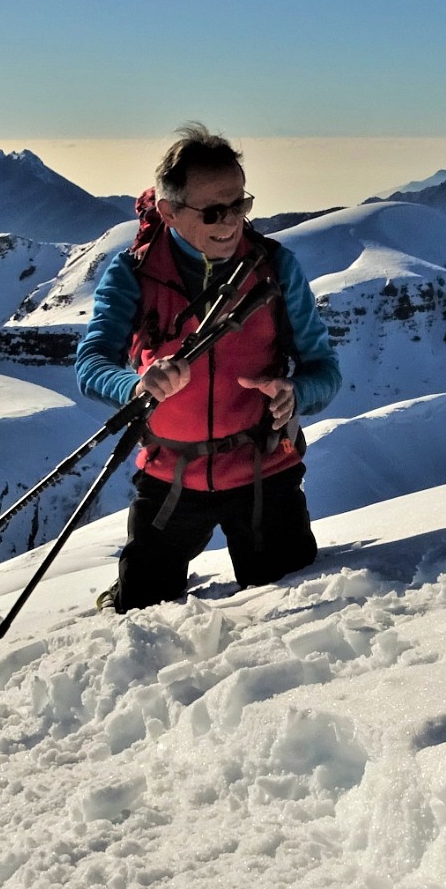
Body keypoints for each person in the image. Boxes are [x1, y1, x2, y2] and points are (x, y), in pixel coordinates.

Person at [76, 123, 341, 613]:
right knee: (137, 610)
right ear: (169, 211)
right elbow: (91, 363)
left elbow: (324, 369)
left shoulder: (275, 268)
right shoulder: (134, 273)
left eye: (241, 204)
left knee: (293, 611)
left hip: (264, 470)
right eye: (215, 211)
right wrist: (137, 385)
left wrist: (295, 392)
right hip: (170, 476)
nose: (232, 221)